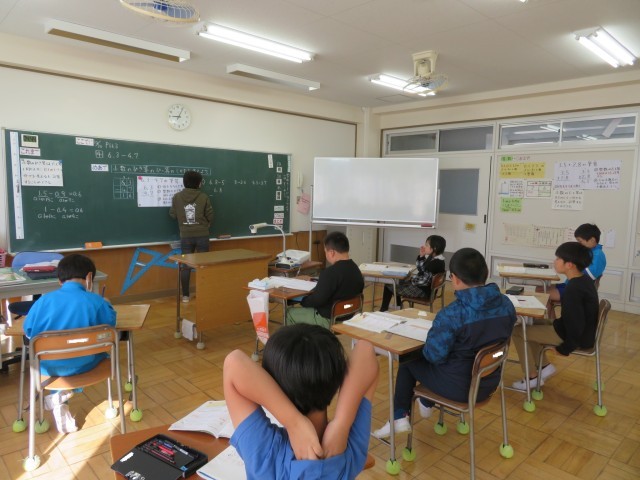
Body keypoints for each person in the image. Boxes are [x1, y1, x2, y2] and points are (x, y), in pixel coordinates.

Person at [373, 247, 516, 438]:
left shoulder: (452, 314)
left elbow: (433, 356)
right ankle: (425, 402)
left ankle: (400, 416)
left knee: (408, 361)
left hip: (459, 388)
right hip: (488, 384)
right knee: (452, 355)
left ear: (454, 279)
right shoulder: (506, 304)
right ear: (486, 273)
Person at [223, 324, 379, 479]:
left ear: (272, 386)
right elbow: (365, 349)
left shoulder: (267, 454)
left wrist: (294, 423)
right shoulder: (348, 449)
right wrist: (341, 424)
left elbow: (234, 363)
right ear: (338, 380)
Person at [23, 254, 116, 433]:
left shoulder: (43, 301)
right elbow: (109, 326)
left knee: (58, 357)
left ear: (59, 280)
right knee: (94, 354)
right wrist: (107, 304)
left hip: (48, 369)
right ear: (89, 277)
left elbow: (29, 332)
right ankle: (62, 396)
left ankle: (59, 398)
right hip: (86, 364)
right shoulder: (96, 301)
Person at [511, 242, 599, 390]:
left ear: (569, 265)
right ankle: (544, 367)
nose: (554, 261)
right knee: (529, 324)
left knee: (517, 331)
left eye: (558, 259)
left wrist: (565, 349)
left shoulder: (573, 289)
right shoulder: (583, 281)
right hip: (577, 331)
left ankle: (532, 377)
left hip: (575, 337)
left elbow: (576, 325)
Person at [286, 231, 364, 329]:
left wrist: (302, 300)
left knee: (288, 313)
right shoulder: (356, 269)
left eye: (325, 252)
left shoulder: (330, 272)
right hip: (349, 316)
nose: (326, 255)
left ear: (331, 252)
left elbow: (317, 300)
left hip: (329, 319)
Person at [543, 223, 606, 319]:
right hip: (571, 285)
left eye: (580, 241)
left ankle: (550, 322)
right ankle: (551, 320)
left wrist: (570, 268)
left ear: (592, 240)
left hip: (578, 290)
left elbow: (588, 275)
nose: (579, 244)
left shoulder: (598, 255)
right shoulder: (589, 252)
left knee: (543, 294)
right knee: (540, 289)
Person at [169, 170, 214, 303]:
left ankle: (185, 296)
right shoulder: (203, 197)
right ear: (198, 183)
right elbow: (210, 215)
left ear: (185, 182)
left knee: (185, 266)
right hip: (202, 235)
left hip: (186, 236)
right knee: (203, 265)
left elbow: (172, 214)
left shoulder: (177, 197)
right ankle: (204, 293)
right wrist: (206, 224)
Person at [379, 235, 446, 312]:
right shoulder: (435, 258)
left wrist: (411, 280)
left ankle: (383, 310)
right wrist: (422, 256)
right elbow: (421, 269)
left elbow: (424, 281)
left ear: (434, 248)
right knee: (397, 281)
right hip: (423, 288)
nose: (424, 246)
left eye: (427, 245)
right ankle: (398, 305)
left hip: (422, 291)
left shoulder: (435, 263)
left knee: (390, 285)